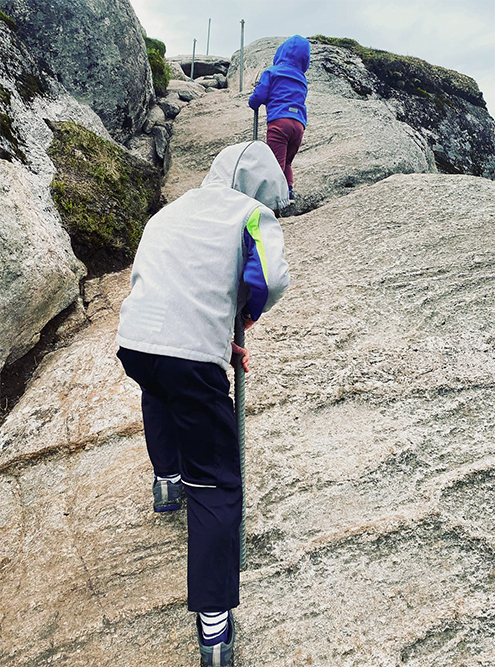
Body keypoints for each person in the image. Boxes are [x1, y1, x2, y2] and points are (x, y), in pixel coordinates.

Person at [115, 140, 290, 666]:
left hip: (136, 339)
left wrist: (219, 335)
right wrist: (245, 315)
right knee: (217, 478)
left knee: (159, 390)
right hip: (191, 357)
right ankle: (214, 626)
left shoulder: (171, 210)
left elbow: (158, 280)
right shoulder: (251, 213)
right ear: (263, 188)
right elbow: (268, 279)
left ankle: (167, 483)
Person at [248, 34, 311, 201]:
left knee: (275, 163)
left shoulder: (272, 72)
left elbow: (260, 95)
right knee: (287, 162)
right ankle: (289, 191)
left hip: (279, 122)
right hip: (298, 125)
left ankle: (274, 197)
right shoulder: (302, 79)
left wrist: (252, 102)